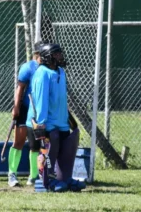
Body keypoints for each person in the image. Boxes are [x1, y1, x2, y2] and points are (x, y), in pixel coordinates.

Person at [27, 43, 83, 192]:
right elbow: (41, 100)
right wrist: (41, 123)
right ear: (47, 57)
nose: (60, 57)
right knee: (50, 150)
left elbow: (62, 97)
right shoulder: (42, 73)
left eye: (60, 54)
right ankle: (48, 181)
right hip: (49, 122)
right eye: (56, 54)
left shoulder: (61, 72)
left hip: (62, 120)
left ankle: (65, 179)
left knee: (67, 147)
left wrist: (67, 117)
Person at [8, 42, 43, 187]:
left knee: (36, 144)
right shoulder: (28, 67)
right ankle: (12, 174)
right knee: (19, 141)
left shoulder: (49, 67)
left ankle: (34, 176)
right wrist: (16, 107)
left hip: (40, 111)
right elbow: (20, 89)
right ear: (37, 54)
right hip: (25, 109)